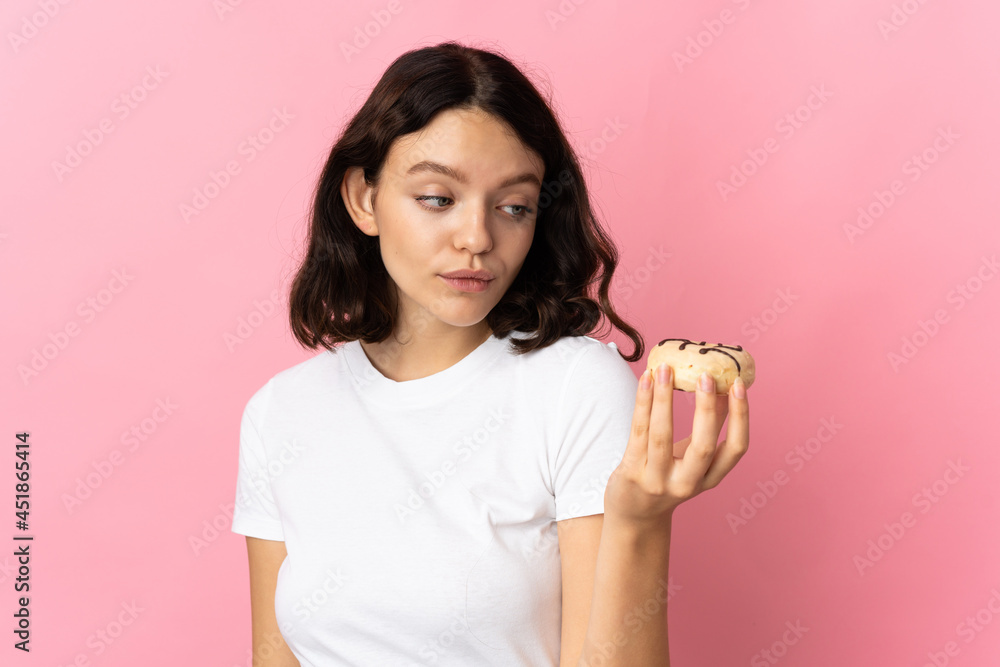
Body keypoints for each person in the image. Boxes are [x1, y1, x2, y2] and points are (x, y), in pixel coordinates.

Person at [230, 40, 750, 667]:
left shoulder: (573, 388)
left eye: (513, 207)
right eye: (437, 198)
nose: (478, 238)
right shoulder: (281, 412)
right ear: (364, 199)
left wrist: (639, 524)